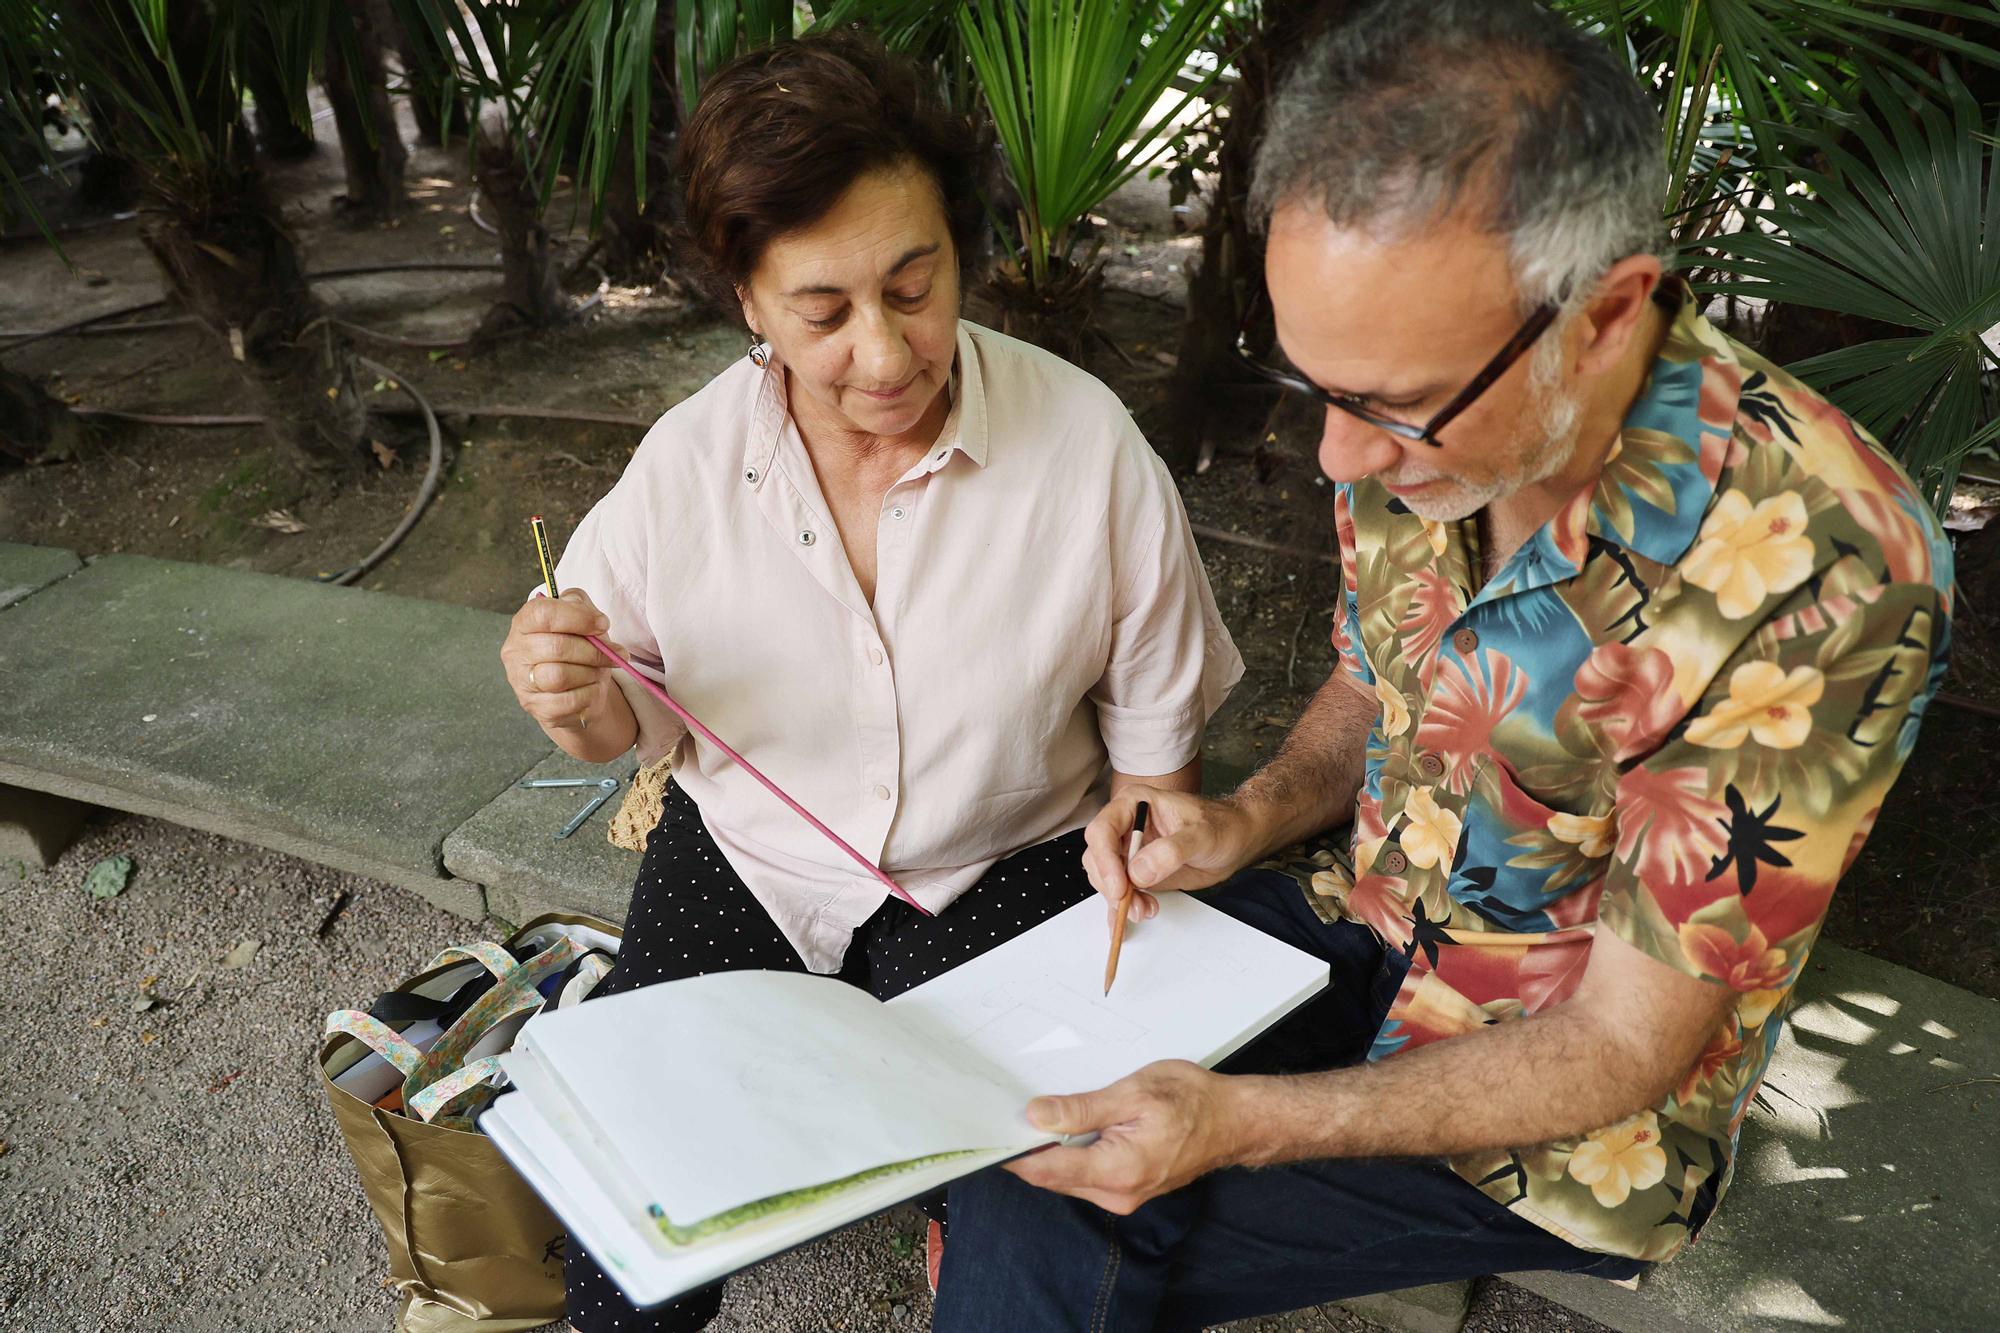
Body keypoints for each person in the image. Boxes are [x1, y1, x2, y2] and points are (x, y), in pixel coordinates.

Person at [932, 2, 1955, 1328]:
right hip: (1352, 920)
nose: (1335, 461)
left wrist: (1235, 1122)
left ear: (1606, 314)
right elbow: (1376, 681)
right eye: (1315, 386)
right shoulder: (1422, 407)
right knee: (1001, 1096)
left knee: (1047, 1201)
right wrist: (1241, 817)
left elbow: (1626, 1042)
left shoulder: (1827, 566)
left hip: (1558, 1115)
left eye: (1390, 408)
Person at [495, 30, 1243, 1333]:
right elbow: (621, 709)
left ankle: (964, 1200)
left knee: (1058, 1187)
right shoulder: (685, 467)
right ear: (747, 299)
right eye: (823, 313)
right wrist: (574, 703)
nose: (887, 357)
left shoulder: (1088, 453)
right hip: (752, 858)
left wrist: (1147, 845)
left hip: (1014, 863)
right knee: (634, 1200)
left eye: (915, 285)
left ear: (962, 253)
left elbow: (1153, 768)